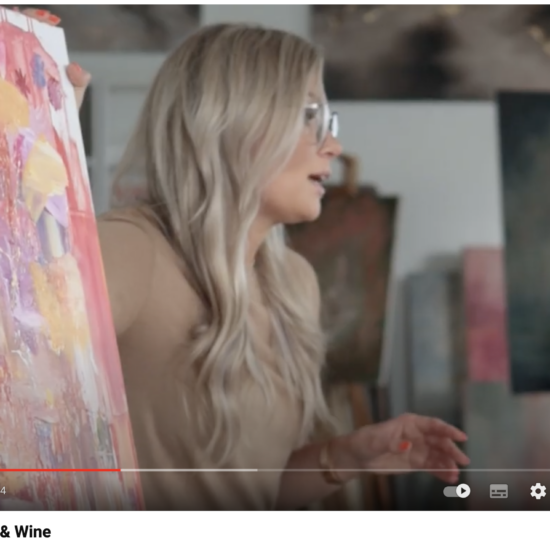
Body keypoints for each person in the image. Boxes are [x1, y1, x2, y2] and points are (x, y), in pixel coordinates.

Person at [23, 9, 469, 510]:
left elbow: (253, 489)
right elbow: (18, 348)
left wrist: (347, 455)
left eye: (329, 121)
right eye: (310, 117)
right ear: (230, 122)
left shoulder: (294, 283)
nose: (334, 146)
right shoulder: (133, 249)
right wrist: (31, 173)